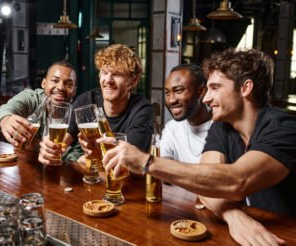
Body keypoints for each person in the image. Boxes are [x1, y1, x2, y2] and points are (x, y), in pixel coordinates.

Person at [99, 48, 295, 245]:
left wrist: (146, 161)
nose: (207, 98)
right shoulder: (222, 126)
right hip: (252, 233)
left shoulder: (285, 127)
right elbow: (205, 183)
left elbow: (238, 181)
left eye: (215, 88)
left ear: (245, 88)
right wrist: (234, 216)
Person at [38, 44, 154, 165]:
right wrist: (51, 150)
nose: (108, 80)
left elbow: (131, 161)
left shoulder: (142, 110)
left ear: (133, 81)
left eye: (117, 74)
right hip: (92, 179)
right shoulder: (86, 101)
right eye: (104, 72)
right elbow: (62, 143)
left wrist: (94, 159)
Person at [0, 60, 77, 150]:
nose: (60, 87)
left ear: (74, 91)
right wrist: (6, 120)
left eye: (69, 84)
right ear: (44, 83)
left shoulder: (77, 113)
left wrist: (37, 145)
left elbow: (77, 154)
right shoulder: (31, 98)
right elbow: (3, 111)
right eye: (55, 80)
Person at [161, 64, 211, 163]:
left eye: (178, 91)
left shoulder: (221, 128)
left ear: (201, 91)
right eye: (167, 93)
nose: (171, 100)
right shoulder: (171, 129)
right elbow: (164, 168)